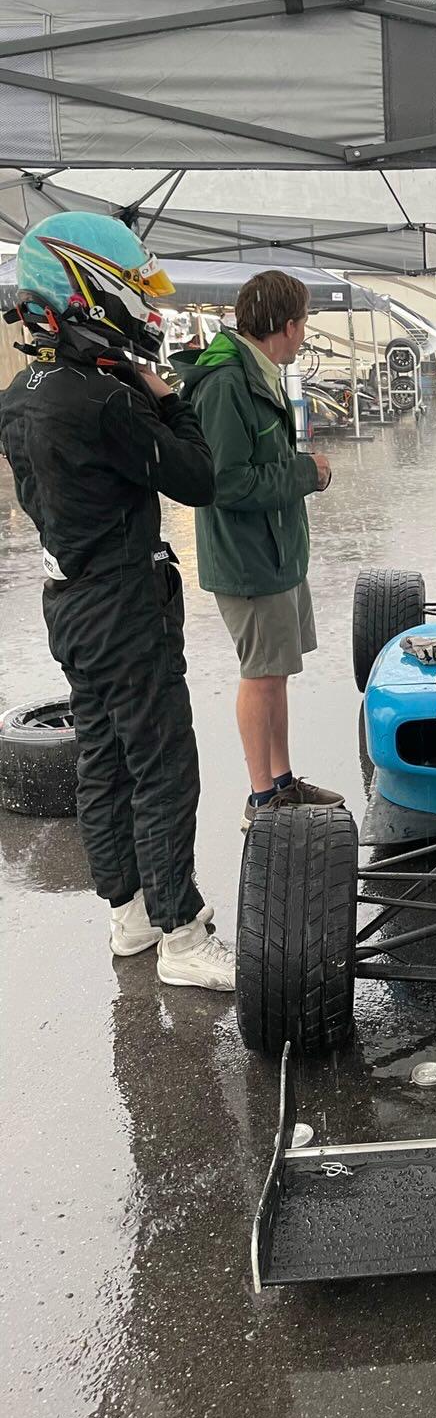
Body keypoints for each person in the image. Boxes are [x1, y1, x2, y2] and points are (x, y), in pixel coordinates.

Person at [0, 212, 235, 990]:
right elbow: (198, 477)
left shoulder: (20, 394)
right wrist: (162, 393)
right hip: (126, 606)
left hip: (69, 604)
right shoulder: (106, 400)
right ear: (92, 291)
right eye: (135, 289)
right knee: (163, 766)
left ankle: (128, 914)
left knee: (102, 759)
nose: (147, 306)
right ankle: (182, 934)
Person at [173, 272, 342, 829]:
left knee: (277, 671)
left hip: (276, 553)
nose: (304, 334)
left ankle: (283, 781)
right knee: (261, 674)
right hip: (249, 559)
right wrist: (305, 472)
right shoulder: (226, 384)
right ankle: (262, 797)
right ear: (287, 326)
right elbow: (226, 482)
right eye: (304, 323)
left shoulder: (256, 372)